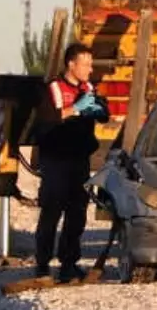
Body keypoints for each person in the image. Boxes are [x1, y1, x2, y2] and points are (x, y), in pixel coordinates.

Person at [33, 42, 110, 282]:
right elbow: (45, 120)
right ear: (71, 64)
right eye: (85, 64)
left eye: (91, 64)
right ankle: (43, 265)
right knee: (51, 213)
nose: (90, 69)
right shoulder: (53, 90)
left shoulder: (89, 88)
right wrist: (74, 109)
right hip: (56, 161)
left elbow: (104, 113)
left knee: (77, 215)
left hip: (79, 161)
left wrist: (98, 109)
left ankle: (69, 264)